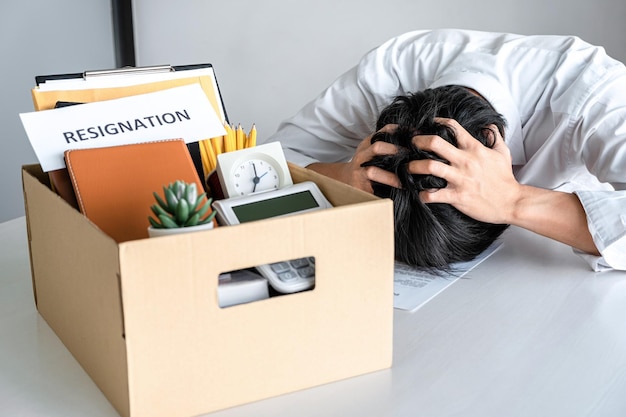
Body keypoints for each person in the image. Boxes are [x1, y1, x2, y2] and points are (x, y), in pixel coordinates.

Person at [265, 29, 626, 271]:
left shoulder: (595, 92)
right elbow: (261, 164)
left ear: (490, 136)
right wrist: (346, 177)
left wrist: (512, 200)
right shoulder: (386, 75)